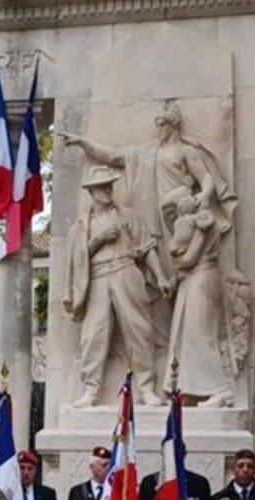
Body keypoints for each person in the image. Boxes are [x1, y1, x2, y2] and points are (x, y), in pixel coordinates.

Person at [60, 166, 167, 407]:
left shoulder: (127, 215)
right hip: (97, 276)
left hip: (125, 270)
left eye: (110, 185)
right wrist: (98, 239)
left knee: (139, 329)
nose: (108, 190)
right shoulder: (81, 225)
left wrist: (160, 275)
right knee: (93, 335)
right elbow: (77, 259)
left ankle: (147, 387)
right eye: (102, 186)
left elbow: (147, 246)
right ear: (91, 191)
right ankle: (90, 389)